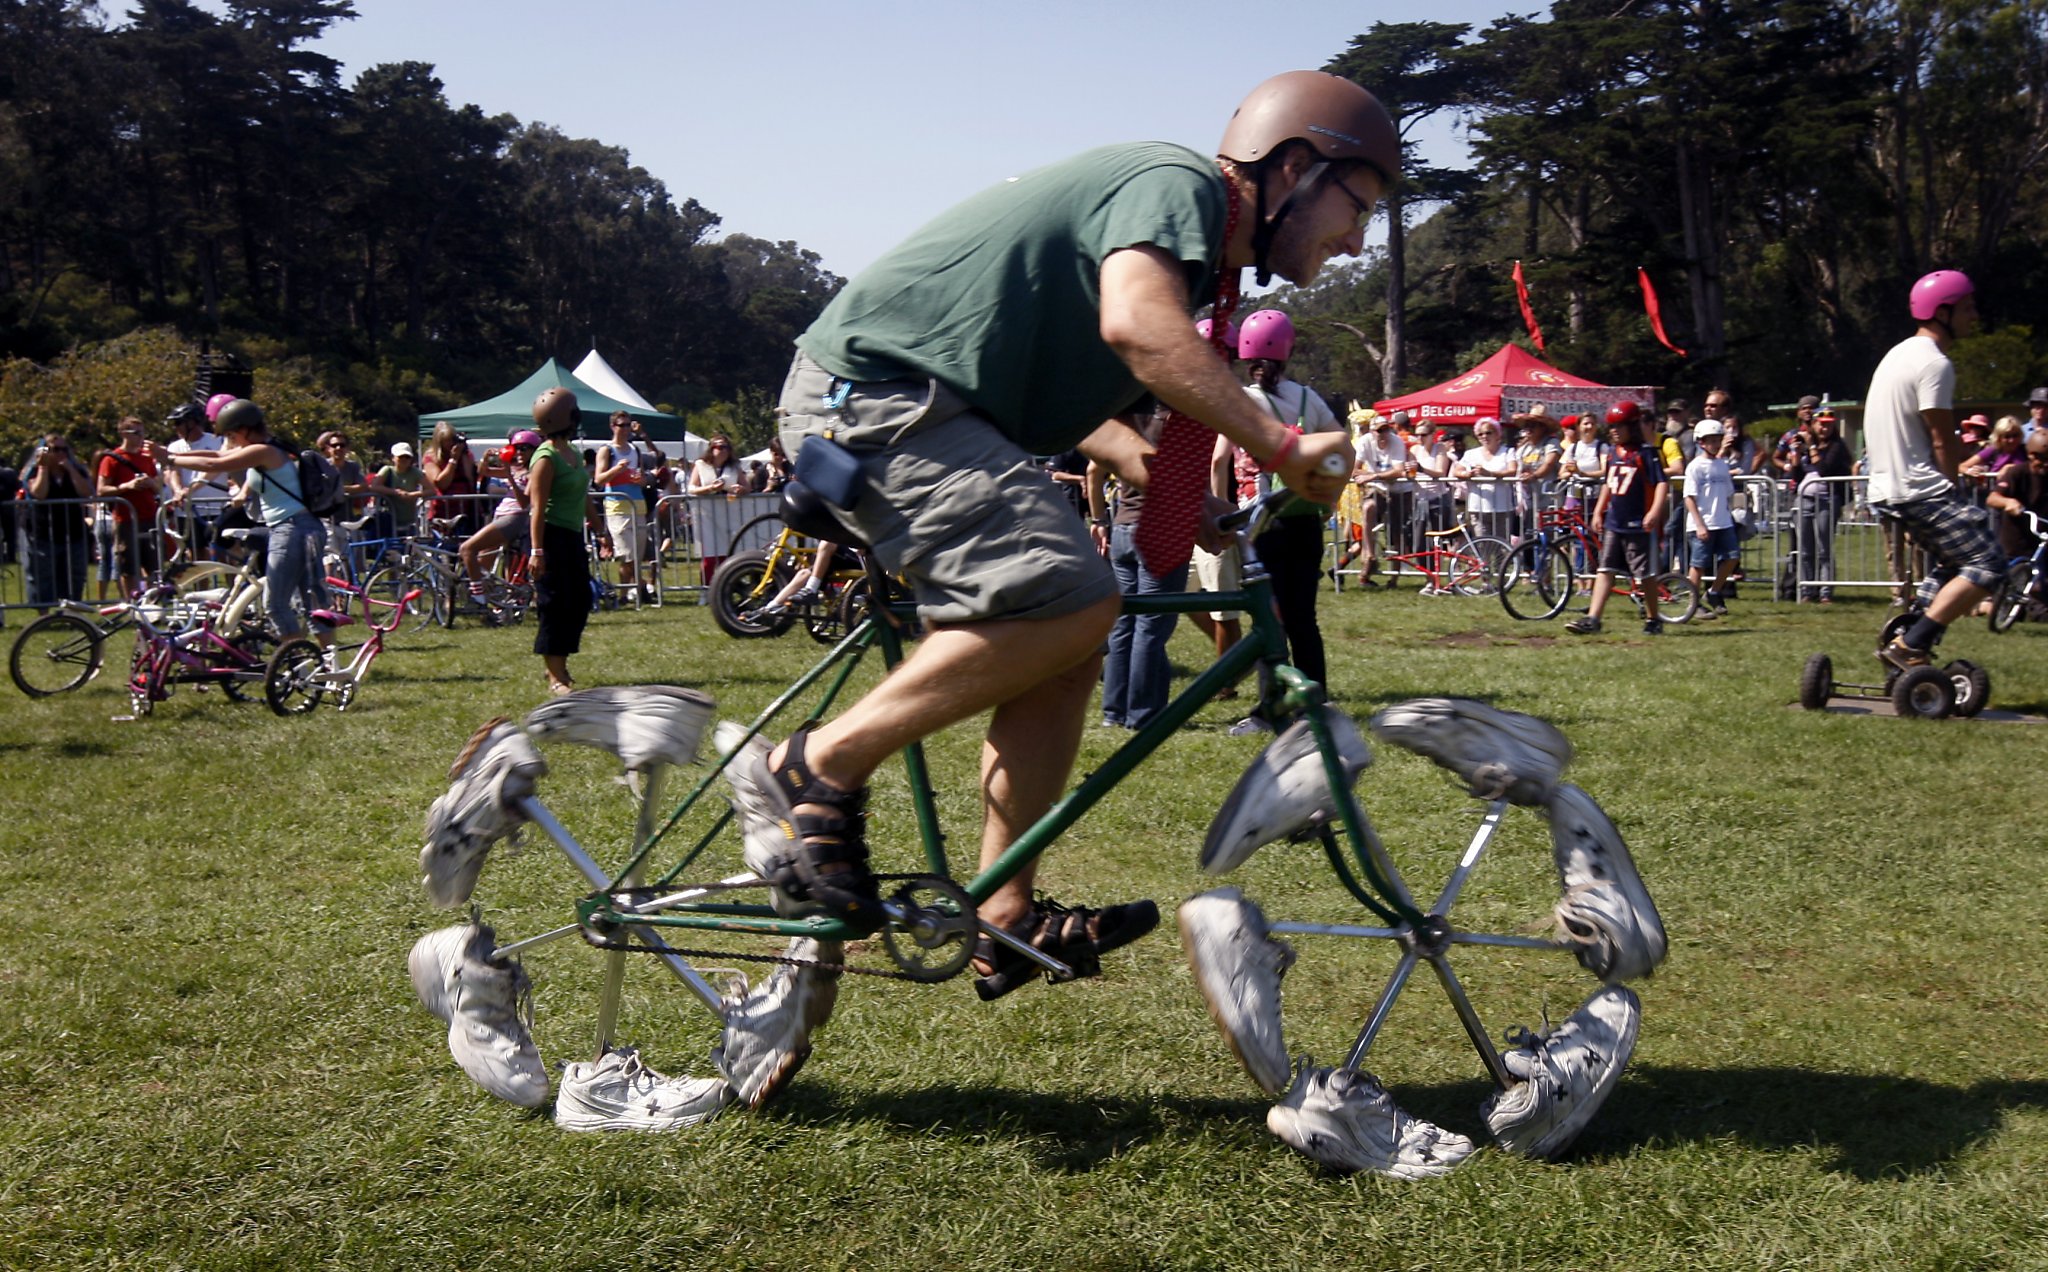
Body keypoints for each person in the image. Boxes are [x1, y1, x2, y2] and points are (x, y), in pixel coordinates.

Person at [724, 70, 1372, 1022]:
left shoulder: (1194, 263)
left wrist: (1167, 481)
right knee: (1069, 599)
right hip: (873, 395)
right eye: (1358, 207)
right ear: (1295, 165)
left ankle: (1003, 911)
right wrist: (1274, 443)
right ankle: (808, 767)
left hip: (936, 409)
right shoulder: (1177, 186)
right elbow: (1138, 331)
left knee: (1064, 650)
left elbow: (1096, 396)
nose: (1357, 237)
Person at [1863, 270, 2004, 670]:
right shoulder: (1935, 364)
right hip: (1919, 488)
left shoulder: (1898, 353)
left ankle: (1906, 639)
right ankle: (1911, 644)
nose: (1974, 315)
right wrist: (1955, 483)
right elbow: (1942, 439)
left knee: (1955, 564)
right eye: (1968, 307)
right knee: (1990, 563)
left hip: (1888, 487)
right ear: (1942, 312)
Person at [1227, 309, 1341, 734]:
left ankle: (1269, 708)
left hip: (1263, 521)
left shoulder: (1243, 397)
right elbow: (1339, 443)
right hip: (1304, 518)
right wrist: (1326, 498)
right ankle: (1318, 702)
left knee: (1266, 619)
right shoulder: (1309, 398)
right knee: (1303, 618)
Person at [153, 400, 331, 647]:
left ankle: (295, 661)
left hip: (290, 528)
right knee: (310, 602)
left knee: (276, 605)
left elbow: (215, 464)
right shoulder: (272, 447)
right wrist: (169, 454)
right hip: (304, 527)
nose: (232, 440)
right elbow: (216, 454)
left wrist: (171, 460)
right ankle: (328, 665)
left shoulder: (263, 451)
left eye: (232, 434)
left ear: (245, 429)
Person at [1092, 403, 1188, 730]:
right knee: (1151, 628)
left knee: (1124, 625)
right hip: (1160, 530)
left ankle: (1113, 711)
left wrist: (1097, 520)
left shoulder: (1125, 418)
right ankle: (1144, 715)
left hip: (1121, 528)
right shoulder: (1175, 421)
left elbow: (1093, 471)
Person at [1566, 402, 1667, 636]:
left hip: (1638, 522)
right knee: (1605, 568)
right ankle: (1593, 618)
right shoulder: (1612, 453)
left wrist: (1653, 512)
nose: (1613, 431)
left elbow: (1661, 483)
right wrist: (1600, 510)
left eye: (1619, 426)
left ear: (1632, 426)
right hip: (1615, 521)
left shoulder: (1646, 454)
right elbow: (1609, 485)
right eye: (1611, 426)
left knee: (1645, 575)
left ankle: (1654, 618)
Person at [526, 390, 592, 695]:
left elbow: (583, 493)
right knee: (554, 604)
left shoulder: (573, 454)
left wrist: (599, 525)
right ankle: (555, 675)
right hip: (551, 537)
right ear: (565, 418)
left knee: (578, 601)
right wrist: (537, 551)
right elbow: (537, 508)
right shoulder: (545, 457)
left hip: (573, 536)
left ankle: (558, 663)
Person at [461, 429, 541, 606]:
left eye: (524, 448)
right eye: (516, 448)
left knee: (467, 549)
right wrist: (486, 458)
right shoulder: (514, 469)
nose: (519, 453)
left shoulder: (534, 472)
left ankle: (479, 598)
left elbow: (523, 503)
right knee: (481, 563)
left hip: (515, 517)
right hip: (502, 515)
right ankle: (488, 595)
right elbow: (484, 471)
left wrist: (510, 478)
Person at [22, 433, 94, 608]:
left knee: (75, 574)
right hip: (44, 532)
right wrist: (43, 468)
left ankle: (72, 610)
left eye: (64, 449)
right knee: (43, 574)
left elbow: (86, 492)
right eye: (55, 450)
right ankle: (44, 614)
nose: (60, 453)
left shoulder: (77, 470)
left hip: (74, 531)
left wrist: (70, 468)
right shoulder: (34, 471)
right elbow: (39, 493)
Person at [1791, 408, 1853, 603]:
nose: (1824, 427)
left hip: (1827, 500)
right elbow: (1798, 476)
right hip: (1804, 500)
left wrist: (1811, 447)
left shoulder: (1837, 446)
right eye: (1820, 423)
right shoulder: (1808, 445)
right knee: (1805, 548)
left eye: (1828, 423)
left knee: (1824, 548)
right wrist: (1795, 459)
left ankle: (1826, 591)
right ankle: (1807, 590)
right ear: (1813, 425)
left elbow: (1824, 469)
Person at [96, 416, 163, 596]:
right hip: (125, 518)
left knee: (153, 565)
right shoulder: (112, 459)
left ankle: (154, 604)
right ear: (123, 433)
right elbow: (101, 489)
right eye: (136, 433)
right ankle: (133, 604)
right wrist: (126, 487)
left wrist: (150, 482)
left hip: (149, 517)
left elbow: (158, 489)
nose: (141, 437)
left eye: (143, 432)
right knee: (128, 565)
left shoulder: (147, 458)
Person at [163, 402, 234, 561]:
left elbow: (213, 469)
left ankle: (232, 584)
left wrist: (192, 489)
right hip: (187, 509)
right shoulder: (175, 446)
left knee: (223, 552)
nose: (176, 428)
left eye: (179, 423)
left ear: (192, 422)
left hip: (216, 506)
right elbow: (174, 471)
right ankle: (202, 586)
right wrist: (178, 490)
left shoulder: (218, 442)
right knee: (196, 553)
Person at [1683, 420, 1739, 617]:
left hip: (1723, 521)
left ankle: (1714, 592)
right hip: (1702, 522)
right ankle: (1693, 602)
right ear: (1701, 442)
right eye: (1711, 440)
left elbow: (1728, 493)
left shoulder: (1722, 465)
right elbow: (1689, 497)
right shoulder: (1695, 467)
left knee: (1732, 557)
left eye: (1718, 440)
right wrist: (1699, 524)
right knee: (1698, 565)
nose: (1716, 444)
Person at [595, 411, 652, 603]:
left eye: (628, 425)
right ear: (613, 427)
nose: (626, 429)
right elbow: (599, 479)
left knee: (635, 554)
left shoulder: (635, 450)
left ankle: (625, 595)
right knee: (627, 554)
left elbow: (644, 479)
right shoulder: (607, 450)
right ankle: (641, 587)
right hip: (617, 506)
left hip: (638, 504)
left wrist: (642, 480)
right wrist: (616, 469)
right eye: (622, 425)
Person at [687, 435, 747, 585]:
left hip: (728, 513)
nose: (722, 450)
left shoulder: (734, 467)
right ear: (711, 449)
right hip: (706, 514)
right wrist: (710, 488)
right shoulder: (701, 464)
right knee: (709, 556)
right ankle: (705, 589)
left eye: (725, 447)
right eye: (719, 447)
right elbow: (691, 488)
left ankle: (725, 587)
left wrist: (740, 489)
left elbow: (747, 487)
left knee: (726, 555)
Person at [1453, 416, 1520, 544]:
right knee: (1482, 546)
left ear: (1497, 434)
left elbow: (1512, 471)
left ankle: (1500, 565)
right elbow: (1457, 471)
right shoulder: (1471, 454)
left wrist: (1489, 473)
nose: (1484, 436)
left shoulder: (1508, 452)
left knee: (1501, 546)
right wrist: (1467, 474)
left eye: (1488, 432)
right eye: (1480, 434)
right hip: (1477, 507)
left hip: (1502, 507)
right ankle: (1486, 565)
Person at [1988, 431, 2048, 562]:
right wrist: (2008, 502)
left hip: (2043, 540)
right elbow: (1992, 498)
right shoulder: (2017, 473)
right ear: (2030, 455)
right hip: (2016, 544)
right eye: (2042, 459)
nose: (2046, 464)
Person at [423, 421, 481, 536]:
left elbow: (470, 478)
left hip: (466, 508)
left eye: (452, 439)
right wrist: (453, 460)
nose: (451, 443)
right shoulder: (431, 457)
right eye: (447, 440)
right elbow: (441, 483)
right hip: (442, 510)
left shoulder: (465, 455)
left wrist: (463, 454)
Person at [375, 442, 426, 541]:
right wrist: (395, 492)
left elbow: (431, 490)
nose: (404, 460)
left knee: (410, 550)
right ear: (393, 458)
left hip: (410, 520)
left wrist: (412, 495)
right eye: (400, 456)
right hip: (389, 519)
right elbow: (374, 486)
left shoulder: (415, 472)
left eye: (407, 457)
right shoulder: (387, 470)